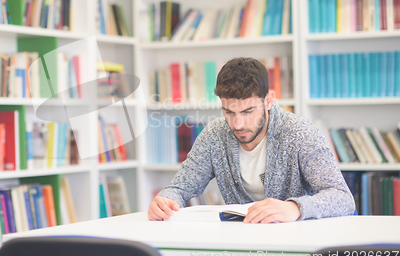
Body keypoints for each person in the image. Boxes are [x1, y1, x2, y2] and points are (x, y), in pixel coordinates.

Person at [147, 57, 355, 223]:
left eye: (248, 111)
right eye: (228, 112)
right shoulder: (214, 135)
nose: (237, 124)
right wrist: (166, 201)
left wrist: (295, 208)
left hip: (296, 244)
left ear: (268, 101)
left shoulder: (301, 134)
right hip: (241, 246)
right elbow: (179, 189)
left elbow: (343, 198)